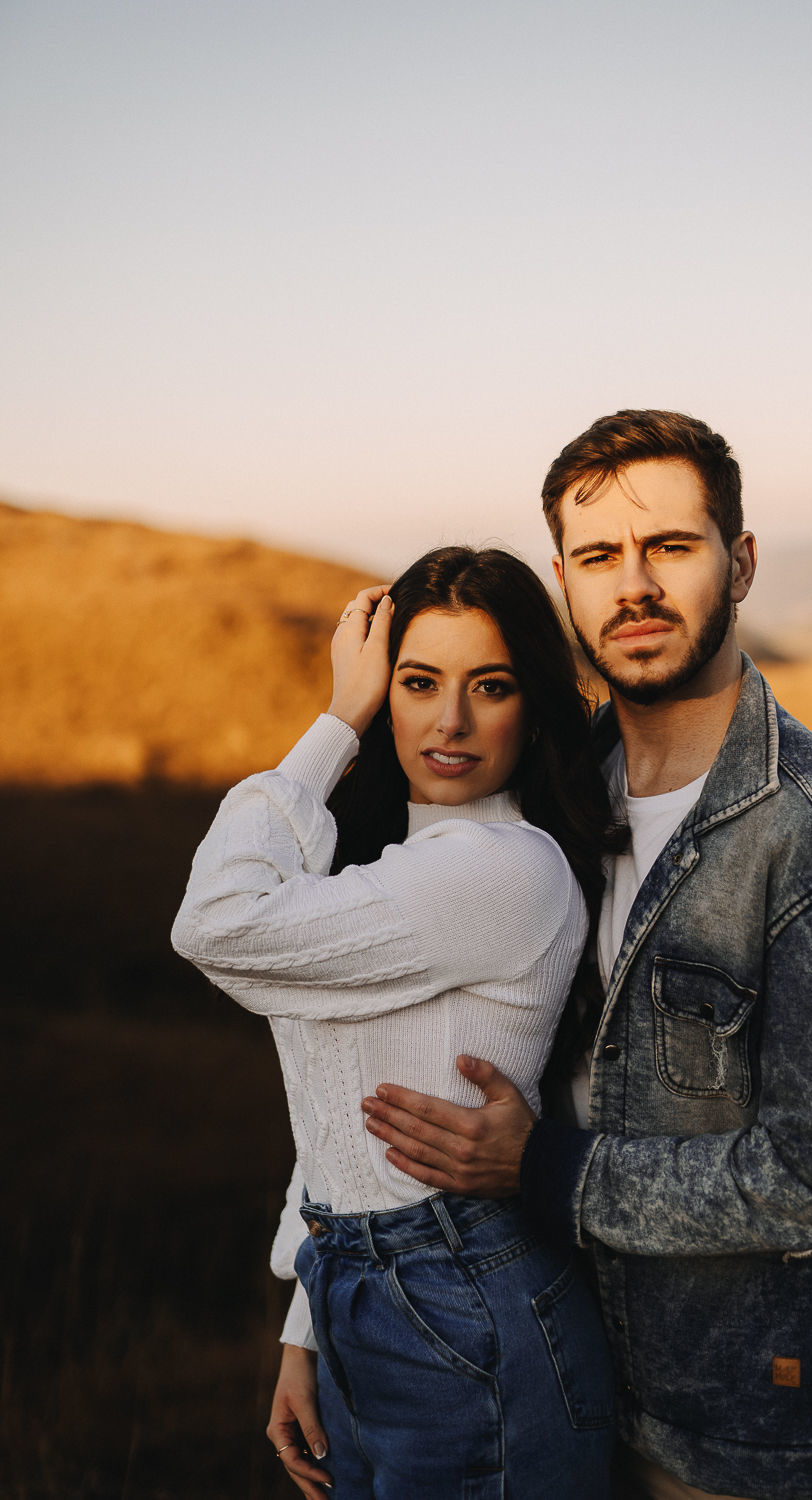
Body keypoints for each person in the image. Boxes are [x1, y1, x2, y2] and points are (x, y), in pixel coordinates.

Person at [360, 412, 812, 1500]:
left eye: (669, 546)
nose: (635, 586)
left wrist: (541, 1170)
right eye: (600, 557)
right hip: (547, 1384)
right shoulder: (554, 794)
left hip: (736, 1435)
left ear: (740, 562)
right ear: (564, 581)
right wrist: (313, 1316)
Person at [171, 546, 621, 1500]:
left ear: (532, 704)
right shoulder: (387, 864)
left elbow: (213, 921)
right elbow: (339, 1108)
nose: (449, 722)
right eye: (418, 683)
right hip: (362, 1298)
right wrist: (309, 1323)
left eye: (489, 687)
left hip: (472, 1313)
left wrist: (339, 719)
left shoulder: (504, 869)